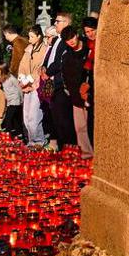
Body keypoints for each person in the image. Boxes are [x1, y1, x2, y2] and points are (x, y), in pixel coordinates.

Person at [41, 12, 77, 150]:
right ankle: (62, 148)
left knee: (64, 120)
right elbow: (50, 57)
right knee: (56, 119)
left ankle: (69, 150)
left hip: (62, 84)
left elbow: (60, 62)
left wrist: (48, 72)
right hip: (54, 84)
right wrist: (44, 67)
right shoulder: (57, 40)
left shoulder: (66, 41)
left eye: (57, 21)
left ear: (66, 23)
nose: (55, 23)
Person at [59, 25, 94, 156]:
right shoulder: (67, 56)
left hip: (90, 94)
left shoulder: (89, 49)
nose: (71, 41)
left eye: (72, 37)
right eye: (68, 40)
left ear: (77, 35)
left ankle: (96, 153)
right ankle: (86, 154)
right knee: (80, 128)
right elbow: (66, 76)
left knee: (92, 127)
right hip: (75, 97)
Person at [17, 26, 48, 147]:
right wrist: (22, 76)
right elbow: (22, 65)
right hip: (27, 86)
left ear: (39, 36)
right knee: (26, 116)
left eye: (32, 37)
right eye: (29, 36)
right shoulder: (28, 49)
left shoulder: (43, 49)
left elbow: (40, 67)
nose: (29, 39)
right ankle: (31, 141)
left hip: (36, 85)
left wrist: (30, 78)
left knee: (34, 116)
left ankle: (38, 141)